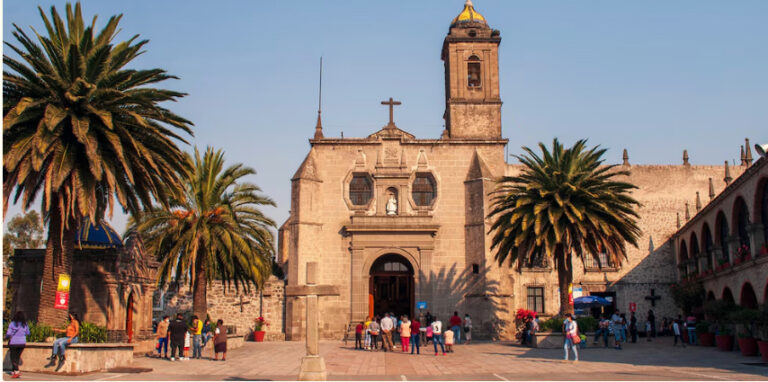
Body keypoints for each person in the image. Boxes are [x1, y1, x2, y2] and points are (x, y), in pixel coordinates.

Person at [6, 311, 30, 378]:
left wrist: (6, 337)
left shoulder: (12, 324)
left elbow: (9, 333)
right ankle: (14, 371)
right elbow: (28, 333)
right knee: (17, 357)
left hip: (14, 342)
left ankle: (16, 372)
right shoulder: (25, 324)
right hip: (22, 343)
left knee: (13, 358)